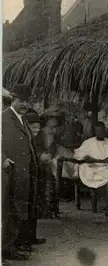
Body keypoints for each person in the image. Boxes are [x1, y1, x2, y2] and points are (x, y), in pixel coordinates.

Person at [2, 85, 45, 261]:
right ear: (13, 99)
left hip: (24, 172)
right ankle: (7, 249)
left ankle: (16, 243)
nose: (25, 104)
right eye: (21, 101)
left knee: (19, 208)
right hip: (10, 172)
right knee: (9, 210)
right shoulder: (4, 117)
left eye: (27, 101)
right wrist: (1, 157)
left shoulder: (22, 119)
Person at [73, 122, 108, 198]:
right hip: (91, 167)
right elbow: (78, 155)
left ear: (105, 131)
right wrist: (85, 157)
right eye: (98, 131)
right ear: (95, 132)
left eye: (102, 131)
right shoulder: (88, 142)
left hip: (104, 167)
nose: (100, 133)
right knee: (85, 169)